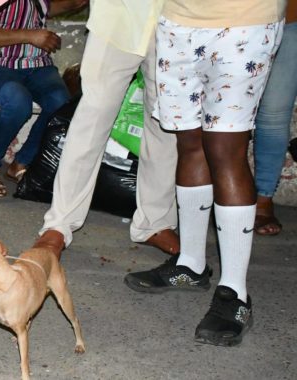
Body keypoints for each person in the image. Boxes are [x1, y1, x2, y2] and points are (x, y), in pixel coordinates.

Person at [125, 0, 285, 346]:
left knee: (225, 148)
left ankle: (235, 295)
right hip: (177, 22)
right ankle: (191, 264)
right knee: (190, 141)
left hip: (245, 21)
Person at [35, 0, 181, 258]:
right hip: (117, 18)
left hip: (176, 19)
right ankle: (59, 224)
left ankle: (155, 222)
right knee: (90, 120)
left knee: (164, 125)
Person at [0, 0, 86, 197]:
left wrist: (75, 4)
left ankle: (21, 162)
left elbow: (51, 7)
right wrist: (29, 36)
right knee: (17, 102)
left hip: (37, 65)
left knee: (61, 103)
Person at [253, 0, 296, 236]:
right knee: (220, 115)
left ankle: (263, 198)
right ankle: (220, 194)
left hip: (289, 15)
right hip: (221, 15)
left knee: (274, 114)